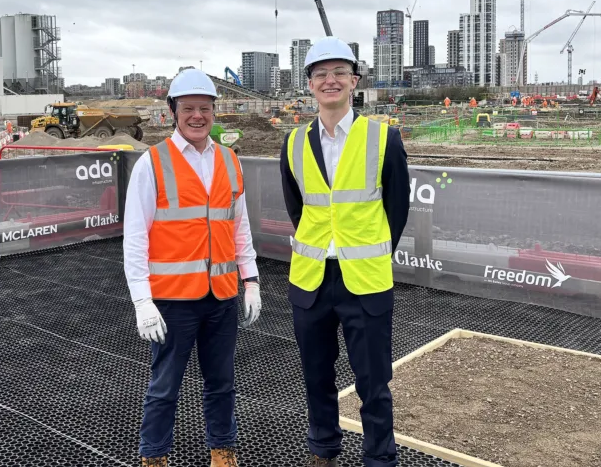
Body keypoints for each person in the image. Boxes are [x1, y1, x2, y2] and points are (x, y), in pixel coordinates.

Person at [279, 37, 410, 467]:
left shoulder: (383, 138)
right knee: (316, 377)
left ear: (354, 81)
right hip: (312, 280)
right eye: (320, 73)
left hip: (365, 281)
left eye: (339, 72)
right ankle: (324, 450)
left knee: (373, 382)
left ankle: (379, 458)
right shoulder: (294, 143)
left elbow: (397, 209)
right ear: (310, 84)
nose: (329, 80)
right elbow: (298, 209)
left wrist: (367, 252)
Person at [123, 68, 263, 467]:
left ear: (214, 112)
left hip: (220, 297)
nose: (197, 116)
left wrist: (250, 280)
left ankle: (223, 451)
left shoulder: (229, 161)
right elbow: (135, 237)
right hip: (172, 301)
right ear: (173, 111)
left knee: (221, 383)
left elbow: (240, 228)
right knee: (164, 386)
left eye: (205, 108)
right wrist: (142, 302)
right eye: (189, 109)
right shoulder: (152, 164)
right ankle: (154, 457)